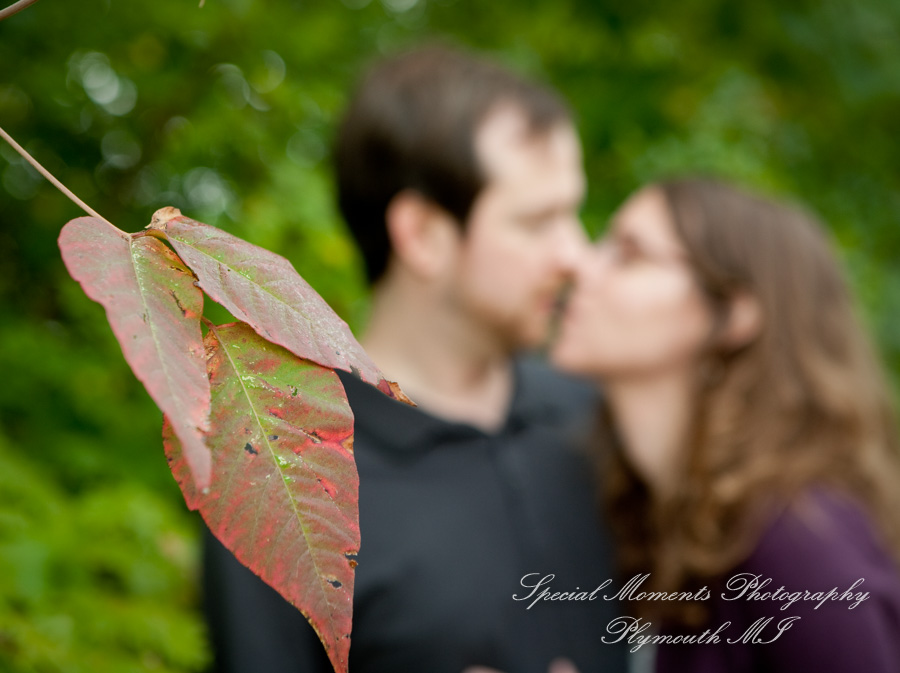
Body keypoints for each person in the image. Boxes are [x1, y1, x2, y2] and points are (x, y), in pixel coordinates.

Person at [202, 44, 628, 673]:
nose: (579, 256)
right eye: (540, 222)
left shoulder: (600, 422)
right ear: (423, 235)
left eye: (574, 212)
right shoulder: (286, 479)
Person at [551, 177, 900, 672]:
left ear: (735, 313)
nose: (580, 265)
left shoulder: (797, 542)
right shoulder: (647, 506)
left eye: (630, 255)